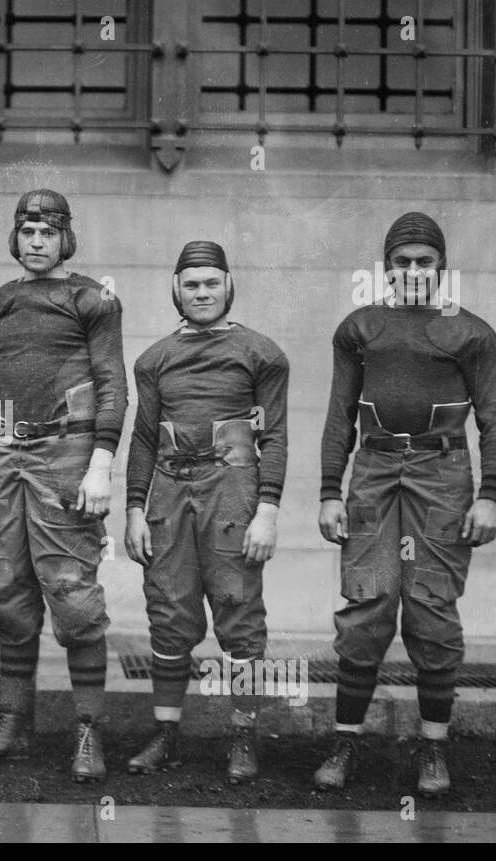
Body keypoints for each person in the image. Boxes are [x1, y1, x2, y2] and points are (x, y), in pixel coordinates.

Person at [314, 212, 496, 796]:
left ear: (441, 267)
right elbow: (338, 416)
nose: (413, 271)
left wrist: (491, 497)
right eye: (402, 262)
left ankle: (433, 749)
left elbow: (495, 422)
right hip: (374, 472)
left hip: (442, 473)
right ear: (387, 268)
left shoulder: (471, 333)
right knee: (367, 605)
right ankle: (346, 741)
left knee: (431, 609)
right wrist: (329, 491)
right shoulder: (360, 328)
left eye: (424, 262)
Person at [0, 189, 127, 782]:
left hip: (65, 448)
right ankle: (12, 726)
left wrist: (101, 463)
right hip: (1, 453)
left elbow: (111, 382)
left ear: (66, 236)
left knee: (71, 593)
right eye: (28, 231)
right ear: (16, 237)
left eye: (48, 232)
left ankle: (88, 733)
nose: (38, 241)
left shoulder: (92, 300)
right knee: (7, 590)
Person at [123, 241, 290, 783]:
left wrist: (267, 509)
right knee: (168, 611)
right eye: (191, 284)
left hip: (232, 488)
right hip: (170, 489)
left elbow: (277, 436)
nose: (201, 293)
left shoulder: (261, 354)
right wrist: (132, 509)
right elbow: (144, 439)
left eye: (211, 283)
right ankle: (167, 735)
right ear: (176, 289)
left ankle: (242, 737)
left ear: (228, 286)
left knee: (238, 608)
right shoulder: (153, 359)